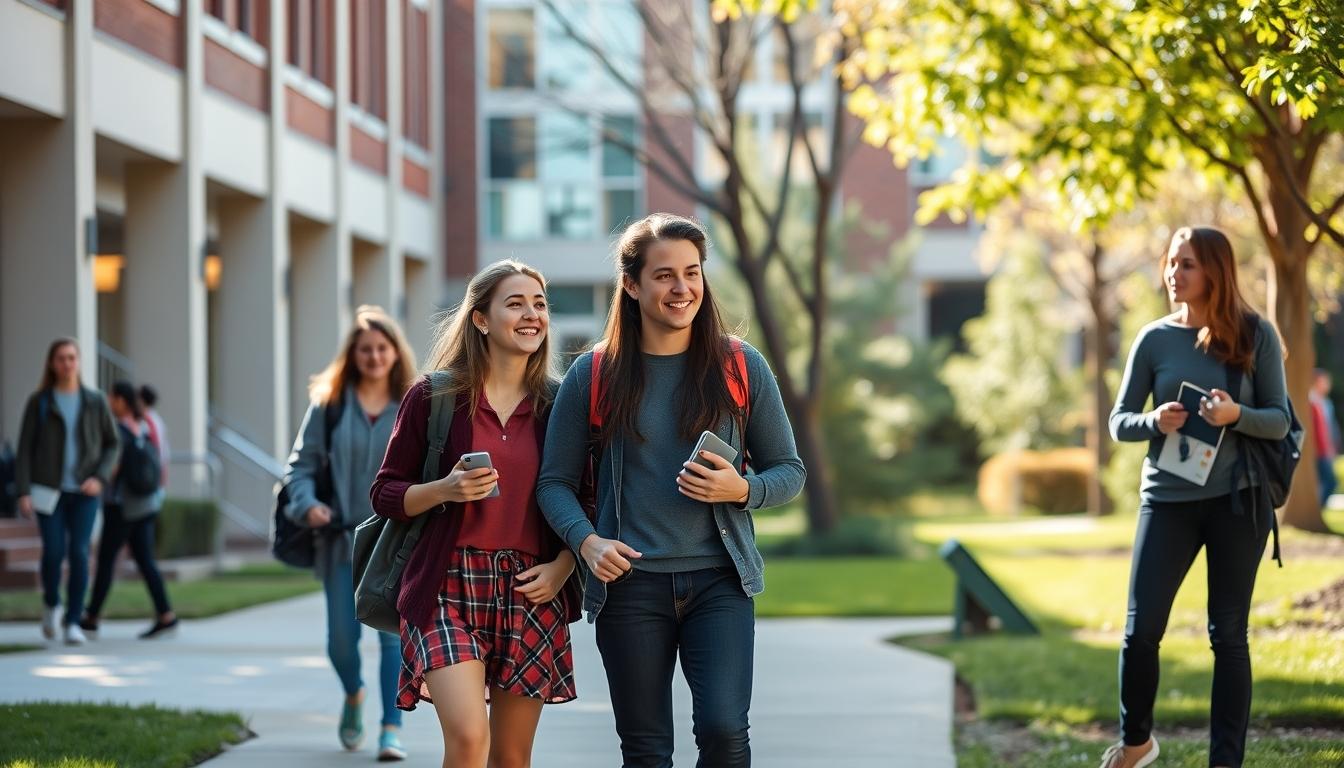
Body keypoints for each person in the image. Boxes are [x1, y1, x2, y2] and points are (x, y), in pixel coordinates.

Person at [536, 213, 806, 767]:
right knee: (646, 749)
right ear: (631, 285)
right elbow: (554, 484)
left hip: (719, 583)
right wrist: (588, 544)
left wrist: (742, 489)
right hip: (630, 587)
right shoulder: (594, 374)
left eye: (692, 272)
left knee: (725, 732)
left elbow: (789, 471)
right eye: (664, 275)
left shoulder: (739, 365)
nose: (681, 288)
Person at [370, 261, 580, 768]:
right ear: (481, 319)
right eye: (515, 303)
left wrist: (562, 568)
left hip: (532, 586)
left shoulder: (560, 405)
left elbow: (587, 500)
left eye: (540, 304)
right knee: (467, 739)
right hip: (445, 584)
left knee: (510, 756)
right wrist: (445, 488)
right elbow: (385, 492)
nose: (532, 315)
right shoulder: (434, 397)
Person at [1103, 226, 1290, 768]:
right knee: (1141, 632)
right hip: (1166, 502)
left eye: (1186, 264)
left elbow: (1279, 421)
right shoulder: (1154, 339)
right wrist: (1153, 420)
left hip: (1238, 501)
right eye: (1171, 262)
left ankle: (1225, 762)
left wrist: (1236, 416)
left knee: (1228, 636)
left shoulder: (1256, 335)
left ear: (1215, 271)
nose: (1173, 273)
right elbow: (1118, 422)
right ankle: (1135, 743)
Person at [283, 305, 418, 761]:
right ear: (353, 355)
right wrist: (307, 505)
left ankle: (390, 727)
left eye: (383, 348)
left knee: (391, 637)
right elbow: (299, 468)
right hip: (339, 543)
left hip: (394, 544)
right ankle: (354, 693)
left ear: (396, 353)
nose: (375, 357)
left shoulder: (413, 404)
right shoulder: (330, 405)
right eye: (366, 350)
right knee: (341, 641)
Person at [13, 338, 120, 646]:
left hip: (85, 492)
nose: (67, 363)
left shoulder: (95, 400)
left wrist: (100, 477)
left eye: (72, 358)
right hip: (48, 491)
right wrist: (23, 491)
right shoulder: (40, 402)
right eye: (61, 358)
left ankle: (73, 621)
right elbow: (24, 450)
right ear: (51, 363)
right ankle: (51, 603)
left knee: (79, 554)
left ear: (79, 362)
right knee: (54, 552)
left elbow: (113, 443)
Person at [82, 380, 177, 639]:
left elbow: (112, 470)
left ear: (120, 400)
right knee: (146, 562)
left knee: (105, 562)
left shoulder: (118, 430)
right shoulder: (145, 426)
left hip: (121, 507)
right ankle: (166, 614)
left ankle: (91, 617)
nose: (109, 403)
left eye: (111, 398)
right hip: (145, 504)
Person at [1309, 368, 1338, 508]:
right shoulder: (1311, 401)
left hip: (1325, 449)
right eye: (1324, 382)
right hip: (1317, 450)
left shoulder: (1327, 403)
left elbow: (1329, 428)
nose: (1327, 385)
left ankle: (1318, 507)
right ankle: (1319, 506)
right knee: (1329, 481)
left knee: (1326, 481)